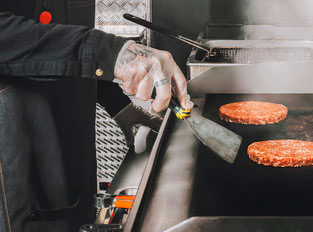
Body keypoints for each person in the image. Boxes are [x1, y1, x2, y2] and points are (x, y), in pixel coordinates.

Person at [0, 1, 193, 231]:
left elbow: (62, 35)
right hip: (20, 156)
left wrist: (119, 105)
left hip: (74, 149)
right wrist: (111, 52)